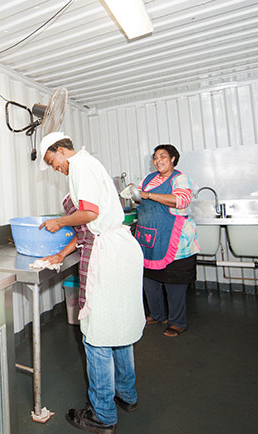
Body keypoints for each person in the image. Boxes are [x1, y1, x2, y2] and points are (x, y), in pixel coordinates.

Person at [38, 132, 145, 434]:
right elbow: (87, 228)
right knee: (120, 327)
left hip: (107, 257)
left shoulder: (80, 166)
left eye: (53, 162)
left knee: (96, 335)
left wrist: (59, 221)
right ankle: (127, 394)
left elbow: (89, 214)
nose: (56, 168)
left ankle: (102, 416)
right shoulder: (92, 164)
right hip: (122, 250)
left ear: (61, 151)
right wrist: (60, 253)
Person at [134, 144, 199, 337]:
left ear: (172, 159)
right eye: (155, 157)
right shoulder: (148, 179)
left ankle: (177, 322)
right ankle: (157, 314)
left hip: (175, 239)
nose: (158, 160)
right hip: (149, 237)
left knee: (174, 282)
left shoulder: (180, 178)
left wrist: (149, 195)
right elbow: (139, 199)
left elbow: (181, 201)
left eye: (163, 156)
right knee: (149, 281)